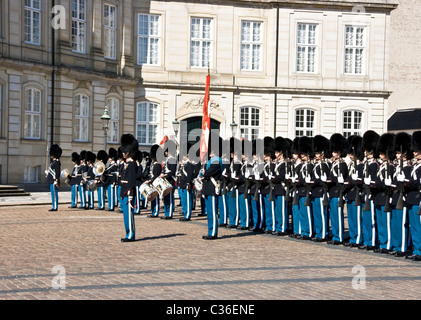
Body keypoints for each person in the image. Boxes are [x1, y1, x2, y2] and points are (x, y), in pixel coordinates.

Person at [390, 132, 412, 257]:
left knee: (402, 223)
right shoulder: (397, 167)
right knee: (395, 223)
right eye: (397, 153)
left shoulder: (408, 167)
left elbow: (409, 182)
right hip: (395, 196)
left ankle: (402, 247)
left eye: (399, 153)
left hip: (403, 197)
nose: (397, 155)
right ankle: (397, 245)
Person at [373, 133, 395, 253]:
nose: (380, 155)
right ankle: (382, 243)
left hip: (386, 196)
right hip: (379, 196)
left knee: (386, 223)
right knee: (380, 222)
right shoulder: (381, 166)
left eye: (382, 153)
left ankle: (387, 244)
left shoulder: (391, 167)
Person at [359, 130, 380, 251]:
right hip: (364, 194)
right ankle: (367, 240)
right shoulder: (366, 163)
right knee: (365, 219)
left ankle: (371, 241)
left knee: (371, 219)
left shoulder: (374, 164)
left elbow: (375, 179)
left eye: (367, 151)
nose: (365, 153)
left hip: (371, 194)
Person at [199, 134, 222, 240]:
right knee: (209, 213)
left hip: (212, 189)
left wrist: (203, 174)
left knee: (213, 212)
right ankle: (210, 231)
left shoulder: (217, 160)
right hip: (208, 188)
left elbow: (208, 173)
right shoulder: (211, 160)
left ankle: (213, 232)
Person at [327, 133, 348, 245]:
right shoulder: (333, 164)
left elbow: (339, 178)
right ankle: (335, 235)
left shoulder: (342, 164)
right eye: (333, 152)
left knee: (338, 215)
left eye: (335, 152)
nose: (333, 154)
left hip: (338, 192)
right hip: (332, 192)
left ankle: (339, 236)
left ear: (339, 153)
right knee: (333, 216)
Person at [343, 135, 364, 247]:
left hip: (356, 194)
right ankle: (352, 237)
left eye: (352, 153)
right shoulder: (351, 165)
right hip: (350, 194)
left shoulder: (360, 166)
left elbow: (360, 180)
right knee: (351, 218)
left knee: (356, 218)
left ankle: (357, 238)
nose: (350, 155)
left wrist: (352, 181)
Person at [310, 135, 330, 242]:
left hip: (321, 191)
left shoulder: (324, 165)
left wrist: (318, 180)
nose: (316, 155)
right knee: (317, 214)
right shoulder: (317, 164)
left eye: (318, 153)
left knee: (322, 214)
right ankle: (318, 232)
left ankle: (323, 234)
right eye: (316, 153)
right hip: (315, 191)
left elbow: (325, 179)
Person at [119, 133, 139, 242]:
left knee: (129, 215)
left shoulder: (132, 165)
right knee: (126, 215)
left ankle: (131, 234)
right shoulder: (126, 164)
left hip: (128, 193)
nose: (122, 152)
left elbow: (131, 180)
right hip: (124, 191)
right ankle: (128, 232)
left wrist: (130, 193)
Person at [406, 131, 421, 261]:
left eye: (416, 150)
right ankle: (416, 249)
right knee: (414, 226)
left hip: (418, 198)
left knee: (418, 225)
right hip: (411, 197)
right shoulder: (415, 165)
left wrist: (409, 182)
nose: (414, 152)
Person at [296, 136, 314, 240]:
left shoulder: (310, 166)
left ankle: (308, 232)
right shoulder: (303, 165)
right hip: (300, 191)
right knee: (302, 213)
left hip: (306, 191)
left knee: (306, 213)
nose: (301, 155)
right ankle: (303, 231)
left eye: (303, 153)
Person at [272, 137, 290, 236]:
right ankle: (279, 226)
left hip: (282, 189)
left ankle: (282, 228)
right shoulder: (276, 163)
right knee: (277, 210)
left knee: (282, 210)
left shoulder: (285, 164)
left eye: (277, 152)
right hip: (276, 189)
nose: (275, 154)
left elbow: (282, 176)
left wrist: (274, 177)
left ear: (281, 153)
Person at [161, 140, 178, 219]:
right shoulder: (168, 159)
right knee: (166, 198)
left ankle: (169, 213)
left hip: (170, 181)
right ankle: (166, 213)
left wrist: (165, 176)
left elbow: (172, 172)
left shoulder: (172, 159)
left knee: (170, 198)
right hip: (166, 181)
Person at [178, 143, 195, 221]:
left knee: (188, 200)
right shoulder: (184, 165)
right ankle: (185, 213)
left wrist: (188, 183)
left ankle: (188, 215)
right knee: (184, 200)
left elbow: (190, 175)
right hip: (183, 184)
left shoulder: (190, 165)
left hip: (187, 184)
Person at [147, 144, 162, 218]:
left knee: (155, 198)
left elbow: (156, 176)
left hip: (155, 184)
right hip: (153, 183)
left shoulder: (157, 165)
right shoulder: (154, 164)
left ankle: (155, 212)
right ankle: (153, 211)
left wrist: (151, 181)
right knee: (153, 198)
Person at [46, 144, 62, 212]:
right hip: (51, 180)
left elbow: (57, 172)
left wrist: (57, 179)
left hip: (54, 180)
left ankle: (55, 207)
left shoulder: (57, 162)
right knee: (53, 194)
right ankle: (53, 205)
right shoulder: (53, 162)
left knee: (54, 194)